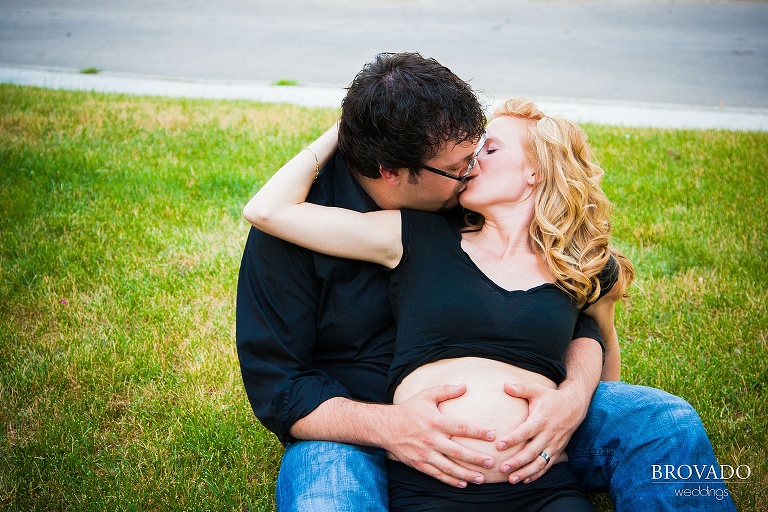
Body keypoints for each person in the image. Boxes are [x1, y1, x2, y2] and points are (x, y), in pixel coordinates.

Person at [236, 52, 736, 511]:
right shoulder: (335, 232)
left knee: (664, 421)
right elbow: (280, 386)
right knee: (326, 492)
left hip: (529, 445)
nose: (471, 166)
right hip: (361, 426)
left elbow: (580, 320)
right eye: (459, 167)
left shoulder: (474, 207)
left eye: (481, 150)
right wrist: (389, 427)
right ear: (392, 171)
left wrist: (572, 398)